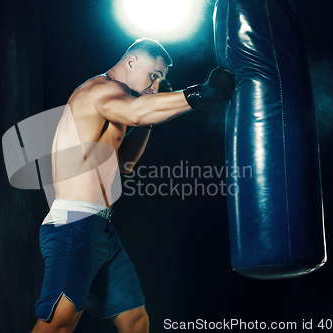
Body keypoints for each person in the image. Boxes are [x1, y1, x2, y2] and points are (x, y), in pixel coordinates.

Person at [31, 38, 234, 333]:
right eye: (154, 75)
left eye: (161, 80)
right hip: (74, 226)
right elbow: (138, 111)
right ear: (130, 62)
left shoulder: (119, 109)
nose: (155, 86)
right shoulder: (99, 90)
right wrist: (202, 93)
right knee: (58, 324)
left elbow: (123, 165)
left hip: (101, 229)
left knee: (135, 322)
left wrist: (148, 122)